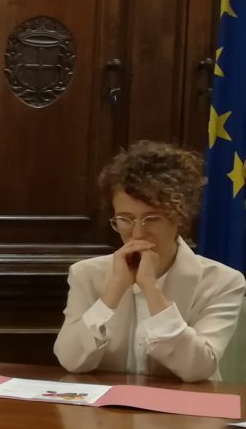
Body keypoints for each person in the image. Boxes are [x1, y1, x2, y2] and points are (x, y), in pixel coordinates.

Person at [54, 141, 244, 381]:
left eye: (152, 219)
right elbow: (71, 360)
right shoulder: (86, 274)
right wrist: (113, 291)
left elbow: (198, 369)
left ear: (180, 218)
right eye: (125, 219)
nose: (137, 233)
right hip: (109, 403)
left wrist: (151, 289)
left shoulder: (223, 281)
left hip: (184, 404)